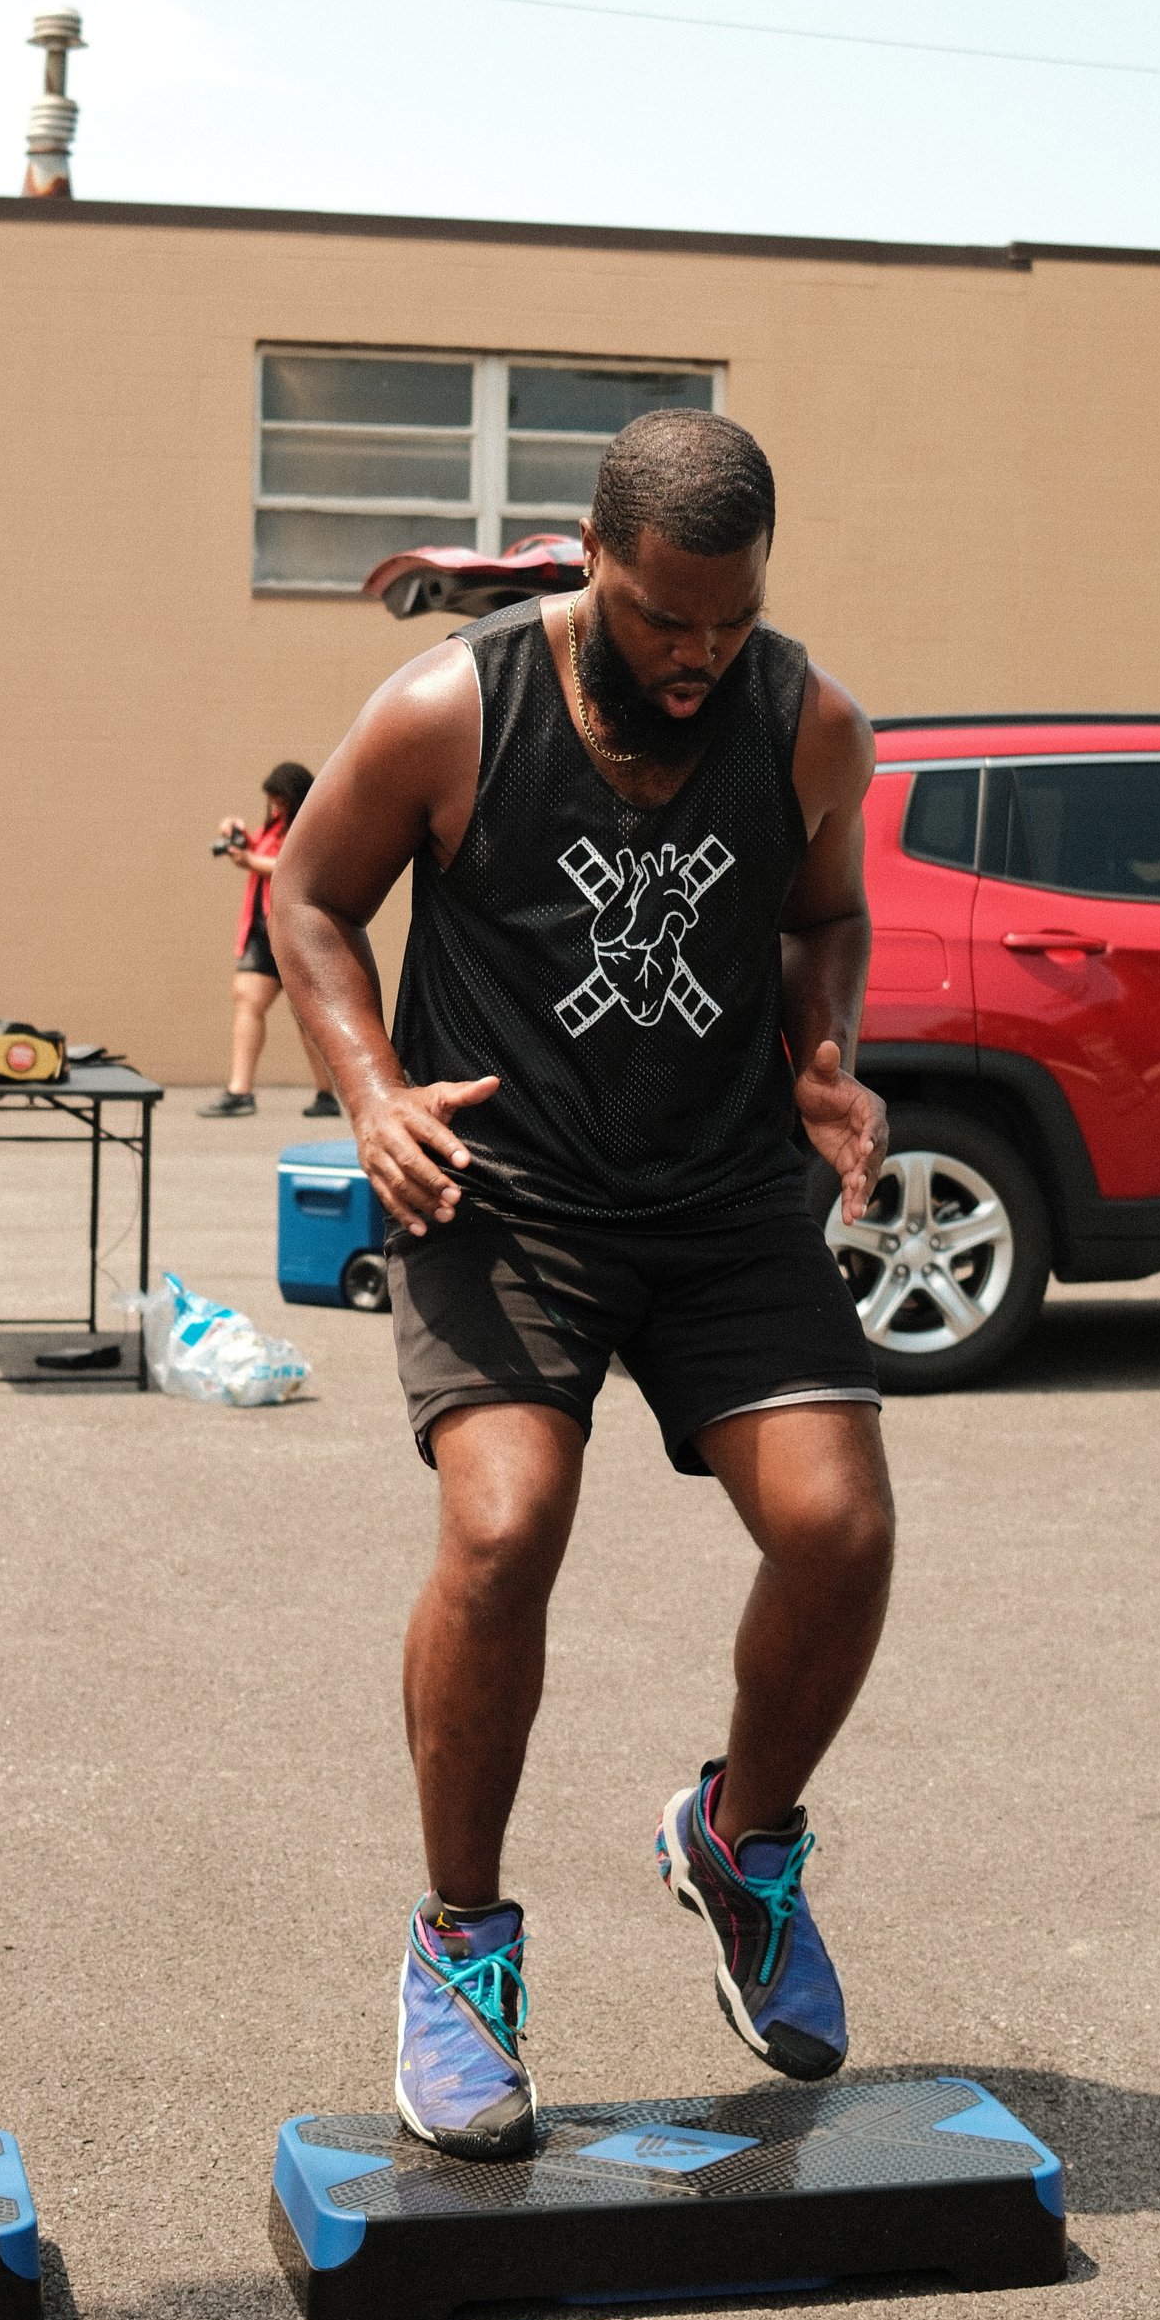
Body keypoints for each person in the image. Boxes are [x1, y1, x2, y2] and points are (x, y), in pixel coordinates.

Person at [272, 409, 892, 2160]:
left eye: (729, 621)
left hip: (715, 1195)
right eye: (660, 618)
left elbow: (817, 914)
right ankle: (464, 1948)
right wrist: (372, 1092)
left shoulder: (809, 719)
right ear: (593, 559)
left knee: (840, 1527)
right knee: (503, 1523)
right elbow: (312, 899)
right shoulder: (453, 709)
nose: (695, 658)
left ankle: (739, 1843)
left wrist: (827, 1049)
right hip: (506, 1191)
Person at [200, 764, 339, 1120]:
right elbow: (257, 849)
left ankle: (327, 1094)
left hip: (297, 932)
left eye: (281, 800)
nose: (276, 806)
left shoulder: (314, 823)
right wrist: (234, 832)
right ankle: (240, 1090)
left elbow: (288, 866)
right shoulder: (277, 824)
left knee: (306, 1016)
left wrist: (248, 861)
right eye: (272, 801)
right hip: (262, 933)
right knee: (246, 999)